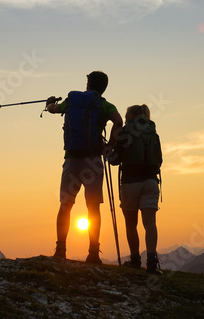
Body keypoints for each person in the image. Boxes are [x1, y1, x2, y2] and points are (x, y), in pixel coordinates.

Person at [46, 71, 123, 264]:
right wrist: (110, 145)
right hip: (93, 161)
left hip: (72, 159)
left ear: (88, 84)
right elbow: (119, 121)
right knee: (93, 208)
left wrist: (48, 104)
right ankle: (93, 253)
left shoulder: (72, 101)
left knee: (65, 205)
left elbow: (54, 109)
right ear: (104, 87)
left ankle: (61, 250)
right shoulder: (105, 105)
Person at [108, 104, 163, 274]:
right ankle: (152, 262)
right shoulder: (153, 133)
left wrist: (108, 152)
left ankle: (135, 260)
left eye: (126, 116)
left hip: (130, 182)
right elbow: (159, 160)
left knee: (131, 224)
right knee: (150, 223)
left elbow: (115, 160)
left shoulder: (125, 133)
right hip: (151, 182)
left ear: (131, 116)